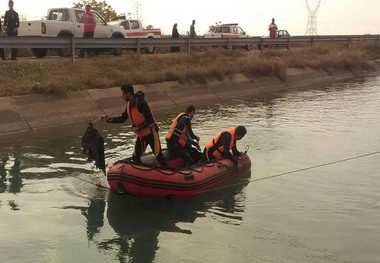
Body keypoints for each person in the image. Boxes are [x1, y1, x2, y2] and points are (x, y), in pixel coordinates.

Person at [101, 83, 167, 167]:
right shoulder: (129, 104)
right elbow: (122, 118)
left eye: (123, 94)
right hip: (142, 136)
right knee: (135, 158)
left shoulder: (141, 103)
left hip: (151, 134)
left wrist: (138, 128)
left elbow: (150, 120)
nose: (122, 96)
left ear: (128, 93)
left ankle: (171, 175)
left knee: (159, 157)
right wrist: (107, 119)